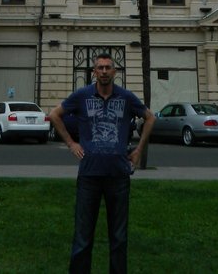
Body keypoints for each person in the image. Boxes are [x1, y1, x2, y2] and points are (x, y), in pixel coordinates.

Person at [49, 52, 155, 274]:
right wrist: (71, 144)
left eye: (108, 68)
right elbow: (55, 115)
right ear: (94, 72)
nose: (104, 71)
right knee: (82, 236)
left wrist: (138, 151)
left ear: (114, 72)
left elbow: (150, 117)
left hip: (118, 176)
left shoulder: (126, 97)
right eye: (100, 68)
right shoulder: (81, 95)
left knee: (118, 237)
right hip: (89, 176)